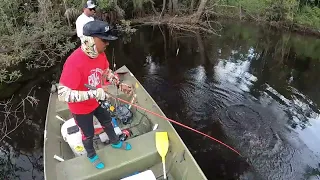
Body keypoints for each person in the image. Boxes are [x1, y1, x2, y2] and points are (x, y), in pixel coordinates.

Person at [58, 20, 133, 169]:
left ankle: (116, 142)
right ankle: (92, 155)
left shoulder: (101, 54)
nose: (107, 44)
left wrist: (118, 84)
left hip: (97, 100)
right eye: (104, 40)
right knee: (88, 134)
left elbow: (106, 72)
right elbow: (63, 94)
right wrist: (93, 93)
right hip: (80, 109)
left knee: (107, 121)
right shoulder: (74, 62)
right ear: (90, 40)